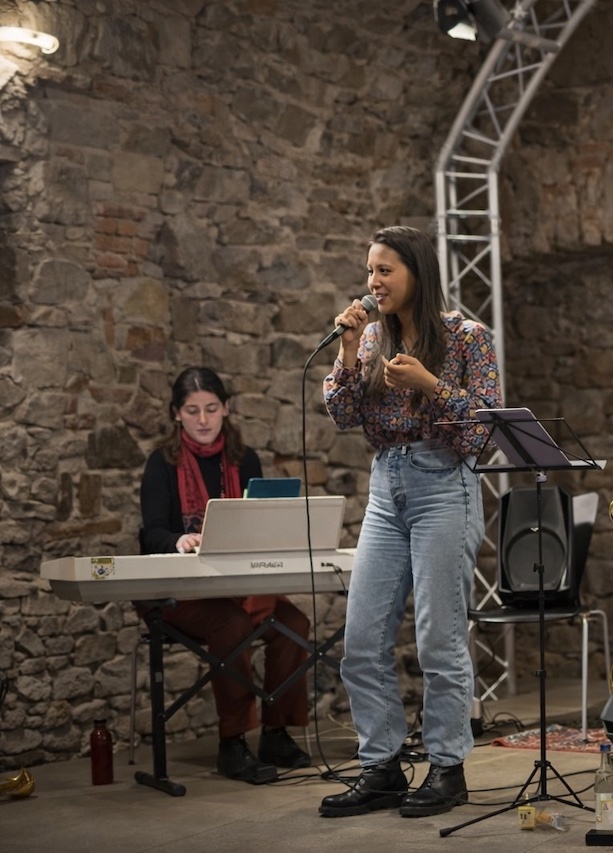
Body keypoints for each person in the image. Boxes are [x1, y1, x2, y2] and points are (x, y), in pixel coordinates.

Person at [317, 225, 502, 819]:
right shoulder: (371, 336)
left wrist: (432, 386)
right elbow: (344, 415)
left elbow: (486, 433)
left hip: (444, 484)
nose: (373, 283)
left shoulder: (468, 337)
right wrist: (346, 352)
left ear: (416, 273)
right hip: (385, 487)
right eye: (370, 271)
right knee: (361, 640)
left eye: (385, 270)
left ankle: (448, 768)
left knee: (437, 640)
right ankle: (382, 767)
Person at [140, 366, 312, 784]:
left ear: (226, 410)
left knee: (293, 622)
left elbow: (257, 523)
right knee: (233, 625)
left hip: (236, 582)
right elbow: (152, 532)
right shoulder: (161, 463)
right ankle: (231, 744)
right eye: (192, 410)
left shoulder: (243, 457)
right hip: (179, 592)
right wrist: (180, 540)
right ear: (176, 414)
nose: (203, 419)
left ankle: (276, 733)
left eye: (211, 409)